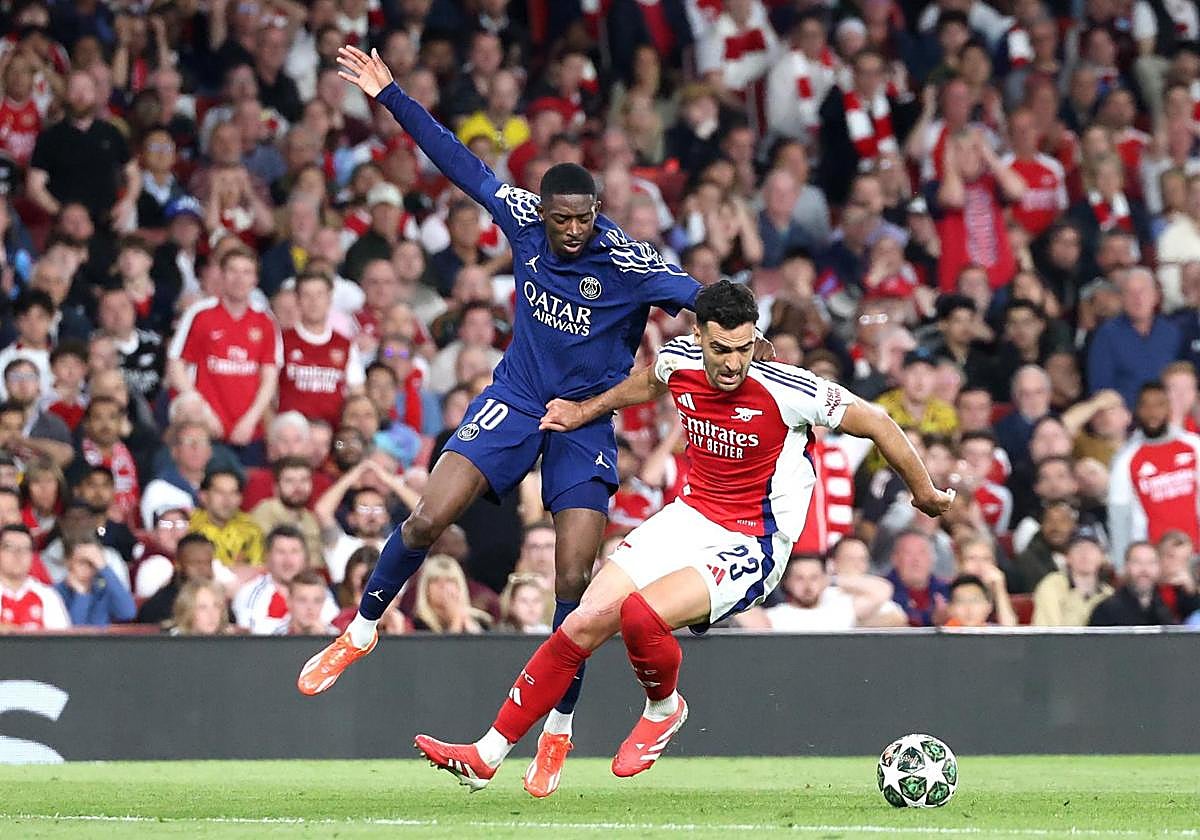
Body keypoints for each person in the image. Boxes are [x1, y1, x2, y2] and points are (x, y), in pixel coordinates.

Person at [298, 46, 764, 801]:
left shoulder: (628, 262)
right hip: (515, 398)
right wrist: (390, 97)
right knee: (424, 518)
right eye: (561, 219)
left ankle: (557, 731)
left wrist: (744, 335)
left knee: (575, 582)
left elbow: (705, 297)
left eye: (584, 219)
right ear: (541, 213)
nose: (573, 231)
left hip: (584, 422)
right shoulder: (522, 220)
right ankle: (361, 628)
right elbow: (457, 162)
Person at [410, 280, 951, 793]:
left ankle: (663, 708)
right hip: (687, 517)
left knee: (640, 615)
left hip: (753, 538)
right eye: (721, 349)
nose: (734, 362)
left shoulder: (792, 390)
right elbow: (644, 383)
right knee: (581, 623)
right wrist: (582, 411)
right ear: (700, 337)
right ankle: (487, 754)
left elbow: (878, 421)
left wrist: (924, 493)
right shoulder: (678, 361)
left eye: (743, 348)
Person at [167, 246, 282, 464]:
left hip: (249, 430)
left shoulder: (265, 321)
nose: (239, 279)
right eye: (233, 271)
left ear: (255, 280)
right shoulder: (201, 314)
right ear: (221, 275)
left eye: (246, 272)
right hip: (207, 428)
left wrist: (251, 419)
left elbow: (269, 377)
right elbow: (176, 365)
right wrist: (203, 412)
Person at [1108, 381, 1200, 566]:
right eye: (1146, 405)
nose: (1153, 412)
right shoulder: (1125, 459)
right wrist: (1120, 567)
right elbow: (1119, 518)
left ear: (1169, 407)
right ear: (1137, 409)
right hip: (1153, 562)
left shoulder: (1194, 445)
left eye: (1159, 404)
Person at [233, 524, 336, 635]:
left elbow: (333, 626)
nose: (288, 561)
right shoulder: (250, 593)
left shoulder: (319, 590)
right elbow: (250, 636)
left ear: (306, 557)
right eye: (280, 552)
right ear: (267, 557)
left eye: (294, 552)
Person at [758, 553, 894, 631]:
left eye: (814, 577)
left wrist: (832, 580)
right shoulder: (772, 616)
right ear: (786, 582)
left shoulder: (840, 610)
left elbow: (882, 590)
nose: (808, 585)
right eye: (799, 578)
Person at [1031, 532, 1114, 626]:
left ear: (1102, 557)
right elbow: (1047, 633)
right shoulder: (1052, 585)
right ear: (1067, 557)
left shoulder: (1109, 594)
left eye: (1091, 549)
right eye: (1078, 548)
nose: (1085, 555)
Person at [53, 535, 136, 627]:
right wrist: (81, 594)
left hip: (103, 640)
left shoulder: (102, 587)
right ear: (68, 562)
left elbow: (128, 613)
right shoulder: (55, 592)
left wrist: (104, 568)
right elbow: (73, 632)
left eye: (93, 563)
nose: (88, 569)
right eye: (82, 562)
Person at [0, 523, 70, 630]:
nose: (18, 554)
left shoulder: (47, 596)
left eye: (25, 549)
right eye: (10, 547)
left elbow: (61, 640)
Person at [1089, 542, 1175, 626]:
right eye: (1137, 562)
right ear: (1126, 566)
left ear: (1159, 567)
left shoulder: (1166, 610)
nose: (1144, 569)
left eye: (1151, 562)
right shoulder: (1106, 610)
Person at [274, 570, 338, 635]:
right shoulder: (274, 636)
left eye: (317, 601)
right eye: (302, 600)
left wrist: (323, 638)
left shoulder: (335, 637)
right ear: (289, 602)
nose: (310, 607)